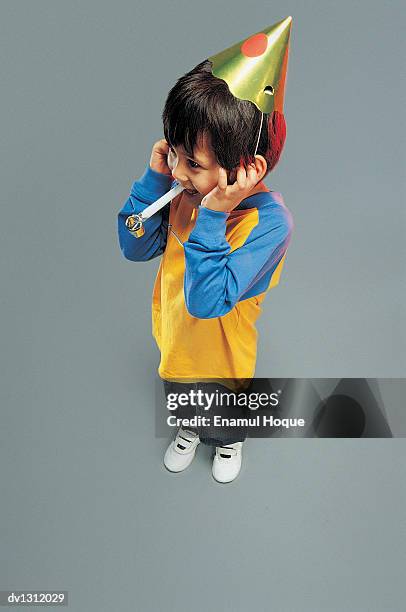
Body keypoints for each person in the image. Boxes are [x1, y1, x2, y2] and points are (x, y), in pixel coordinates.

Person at [117, 19, 294, 483]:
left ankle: (228, 442)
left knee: (223, 406)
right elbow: (134, 249)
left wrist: (213, 215)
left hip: (223, 358)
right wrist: (155, 178)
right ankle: (189, 431)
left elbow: (207, 300)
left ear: (246, 168)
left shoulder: (268, 225)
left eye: (192, 163)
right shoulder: (179, 191)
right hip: (175, 340)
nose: (178, 173)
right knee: (183, 395)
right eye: (174, 153)